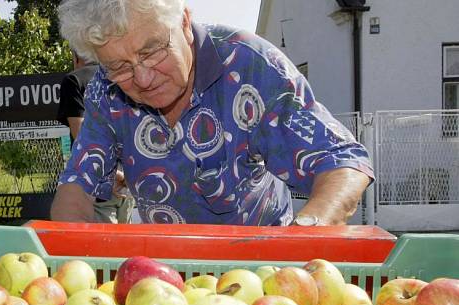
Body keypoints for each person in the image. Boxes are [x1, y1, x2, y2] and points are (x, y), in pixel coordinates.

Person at [51, 0, 374, 226]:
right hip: (164, 279)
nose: (143, 78)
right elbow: (78, 185)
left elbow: (340, 161)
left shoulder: (248, 62)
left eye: (151, 51)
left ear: (185, 23)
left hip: (261, 267)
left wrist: (306, 235)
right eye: (119, 66)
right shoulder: (105, 89)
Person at [56, 50, 135, 223]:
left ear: (75, 57)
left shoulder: (73, 80)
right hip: (127, 184)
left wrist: (113, 176)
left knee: (100, 249)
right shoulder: (121, 76)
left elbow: (81, 138)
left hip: (97, 187)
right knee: (126, 246)